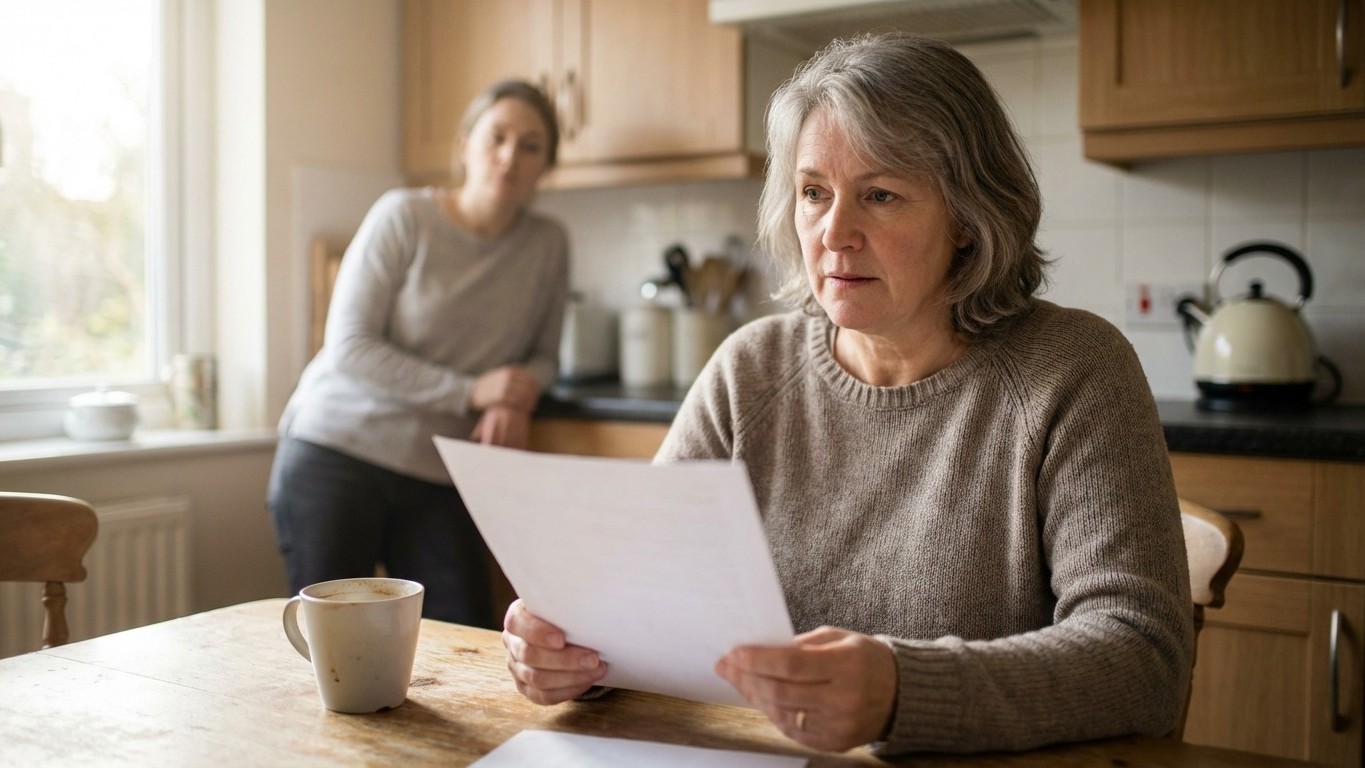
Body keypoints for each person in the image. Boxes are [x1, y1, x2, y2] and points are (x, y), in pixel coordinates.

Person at [499, 32, 1193, 755]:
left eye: (881, 195)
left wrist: (903, 690)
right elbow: (640, 600)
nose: (834, 233)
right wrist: (575, 650)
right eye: (813, 193)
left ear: (966, 217)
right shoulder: (749, 371)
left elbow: (1142, 659)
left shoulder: (1072, 370)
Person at [268, 80, 569, 627]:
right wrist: (473, 391)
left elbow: (545, 355)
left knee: (464, 638)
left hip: (438, 470)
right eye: (496, 137)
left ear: (546, 164)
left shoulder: (548, 244)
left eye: (530, 145)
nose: (509, 156)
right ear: (464, 145)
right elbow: (350, 347)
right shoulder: (403, 216)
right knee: (336, 645)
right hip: (336, 453)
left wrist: (517, 395)